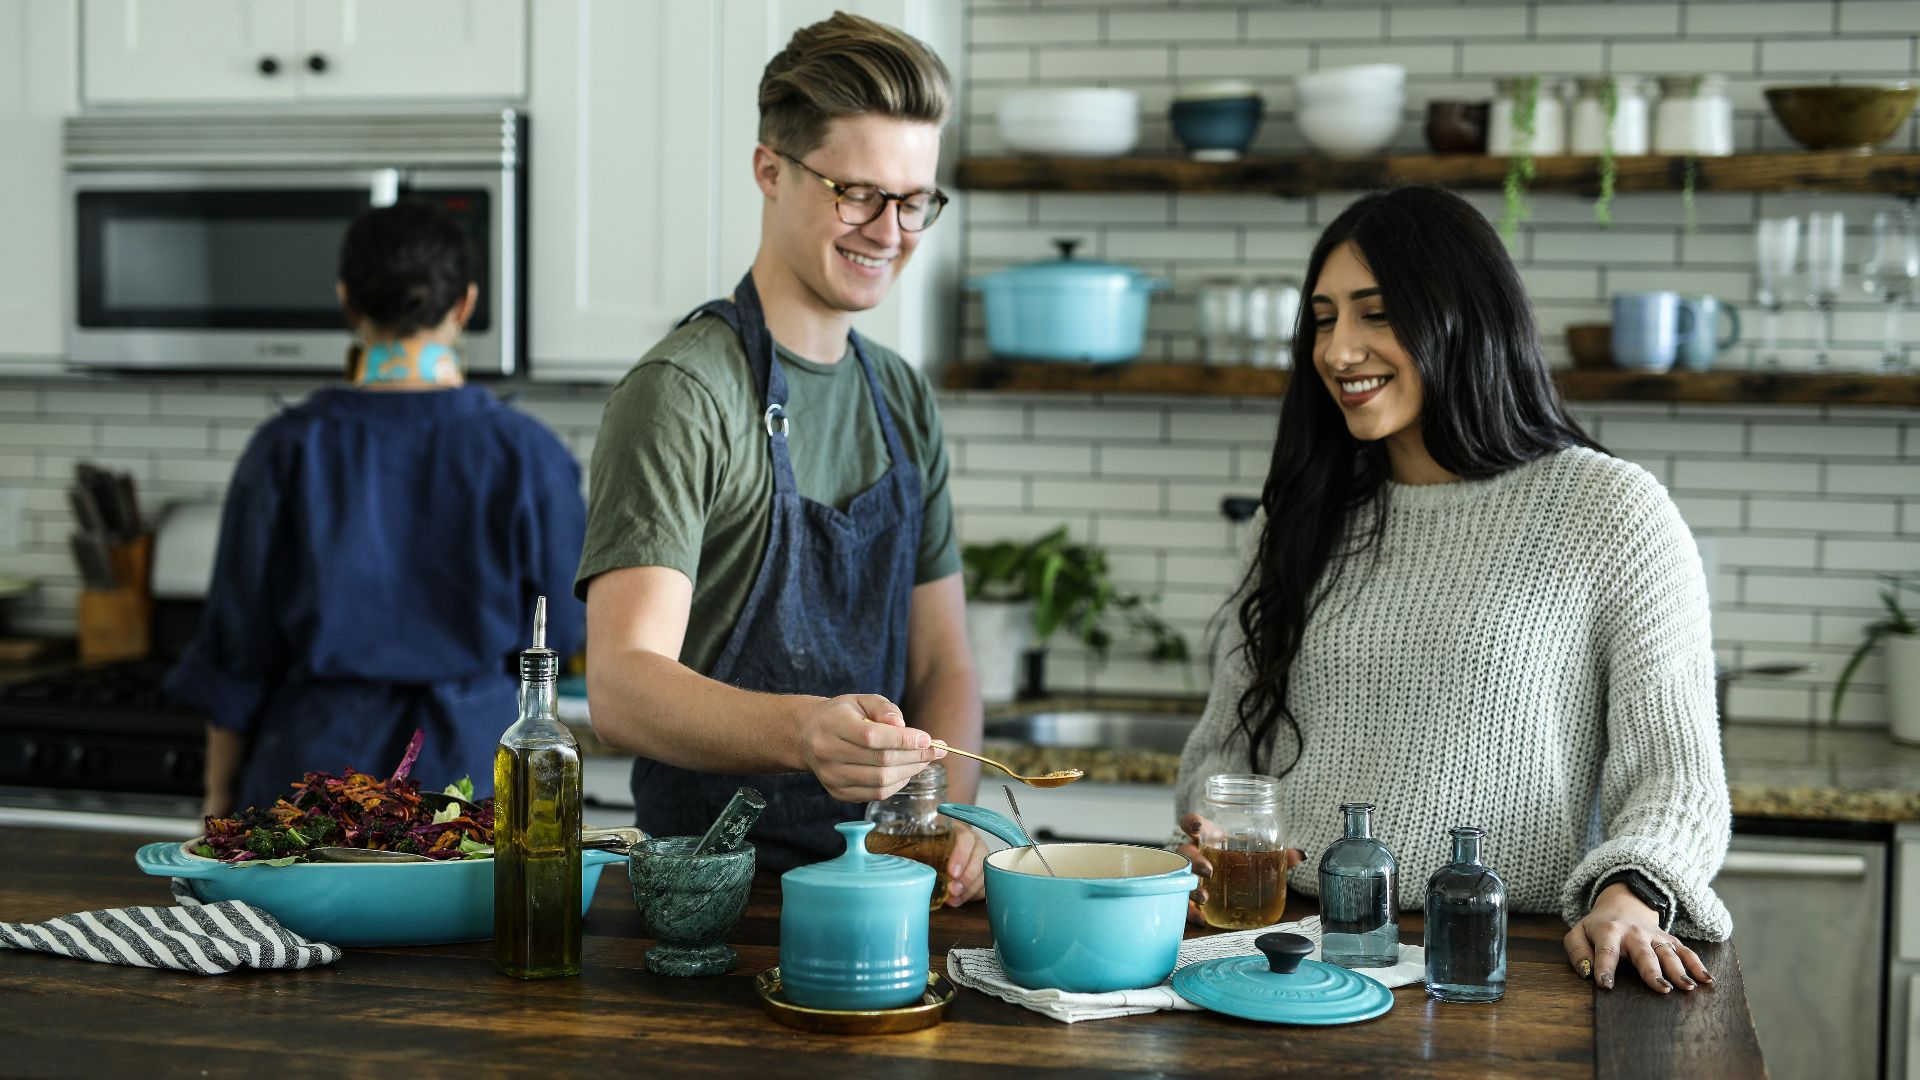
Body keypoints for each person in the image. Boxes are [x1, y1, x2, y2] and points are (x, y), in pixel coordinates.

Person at [1174, 184, 1730, 997]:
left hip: (1502, 962)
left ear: (1463, 318)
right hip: (1288, 956)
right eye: (1325, 319)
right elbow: (1224, 751)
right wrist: (1211, 827)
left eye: (1377, 313)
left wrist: (1632, 894)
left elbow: (1677, 777)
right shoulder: (1300, 518)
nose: (1338, 351)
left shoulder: (1610, 511)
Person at [577, 12, 986, 896]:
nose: (890, 231)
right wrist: (807, 733)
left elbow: (943, 662)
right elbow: (620, 684)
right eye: (858, 193)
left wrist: (953, 811)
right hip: (717, 906)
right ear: (771, 169)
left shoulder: (902, 396)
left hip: (886, 890)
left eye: (914, 201)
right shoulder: (684, 392)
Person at [166, 200, 586, 817]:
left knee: (283, 922)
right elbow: (566, 633)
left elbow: (236, 654)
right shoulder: (530, 455)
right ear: (466, 304)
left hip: (312, 779)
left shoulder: (286, 448)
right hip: (474, 781)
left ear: (347, 303)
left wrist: (218, 802)